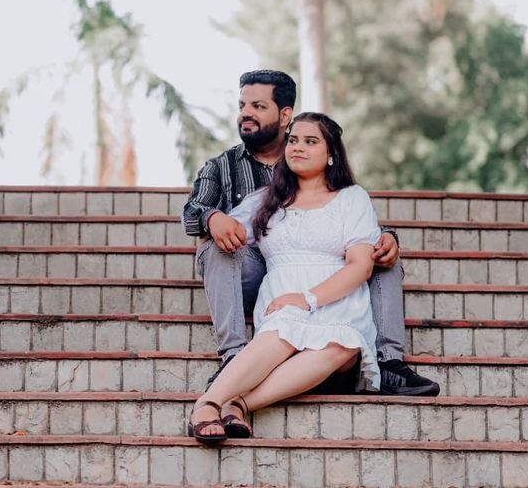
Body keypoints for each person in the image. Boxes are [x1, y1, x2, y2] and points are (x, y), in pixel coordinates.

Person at [183, 70, 439, 398]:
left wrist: (384, 236)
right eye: (242, 105)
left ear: (285, 115)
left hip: (326, 268)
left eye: (258, 106)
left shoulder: (321, 166)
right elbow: (193, 212)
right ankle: (235, 358)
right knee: (214, 248)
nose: (246, 113)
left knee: (378, 254)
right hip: (255, 265)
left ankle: (388, 361)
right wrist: (213, 217)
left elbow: (342, 210)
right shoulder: (223, 167)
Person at [189, 112, 392, 442]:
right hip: (282, 302)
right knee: (284, 327)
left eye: (310, 142)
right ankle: (209, 404)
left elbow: (360, 266)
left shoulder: (352, 198)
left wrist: (307, 299)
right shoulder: (265, 200)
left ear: (331, 153)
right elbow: (227, 232)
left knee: (342, 343)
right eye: (293, 140)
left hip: (336, 303)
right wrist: (213, 218)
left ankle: (237, 402)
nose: (298, 147)